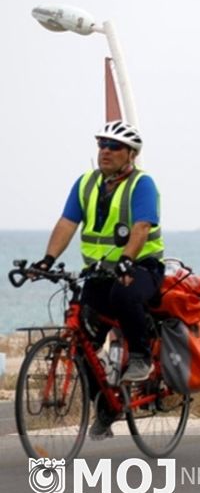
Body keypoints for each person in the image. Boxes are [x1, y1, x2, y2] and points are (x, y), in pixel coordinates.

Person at [32, 121, 164, 439]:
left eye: (113, 146)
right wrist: (47, 260)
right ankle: (106, 406)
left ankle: (140, 357)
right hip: (98, 273)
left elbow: (141, 228)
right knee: (82, 344)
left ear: (130, 154)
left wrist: (127, 261)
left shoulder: (142, 184)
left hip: (142, 268)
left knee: (124, 294)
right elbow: (67, 223)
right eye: (102, 144)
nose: (105, 151)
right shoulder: (86, 184)